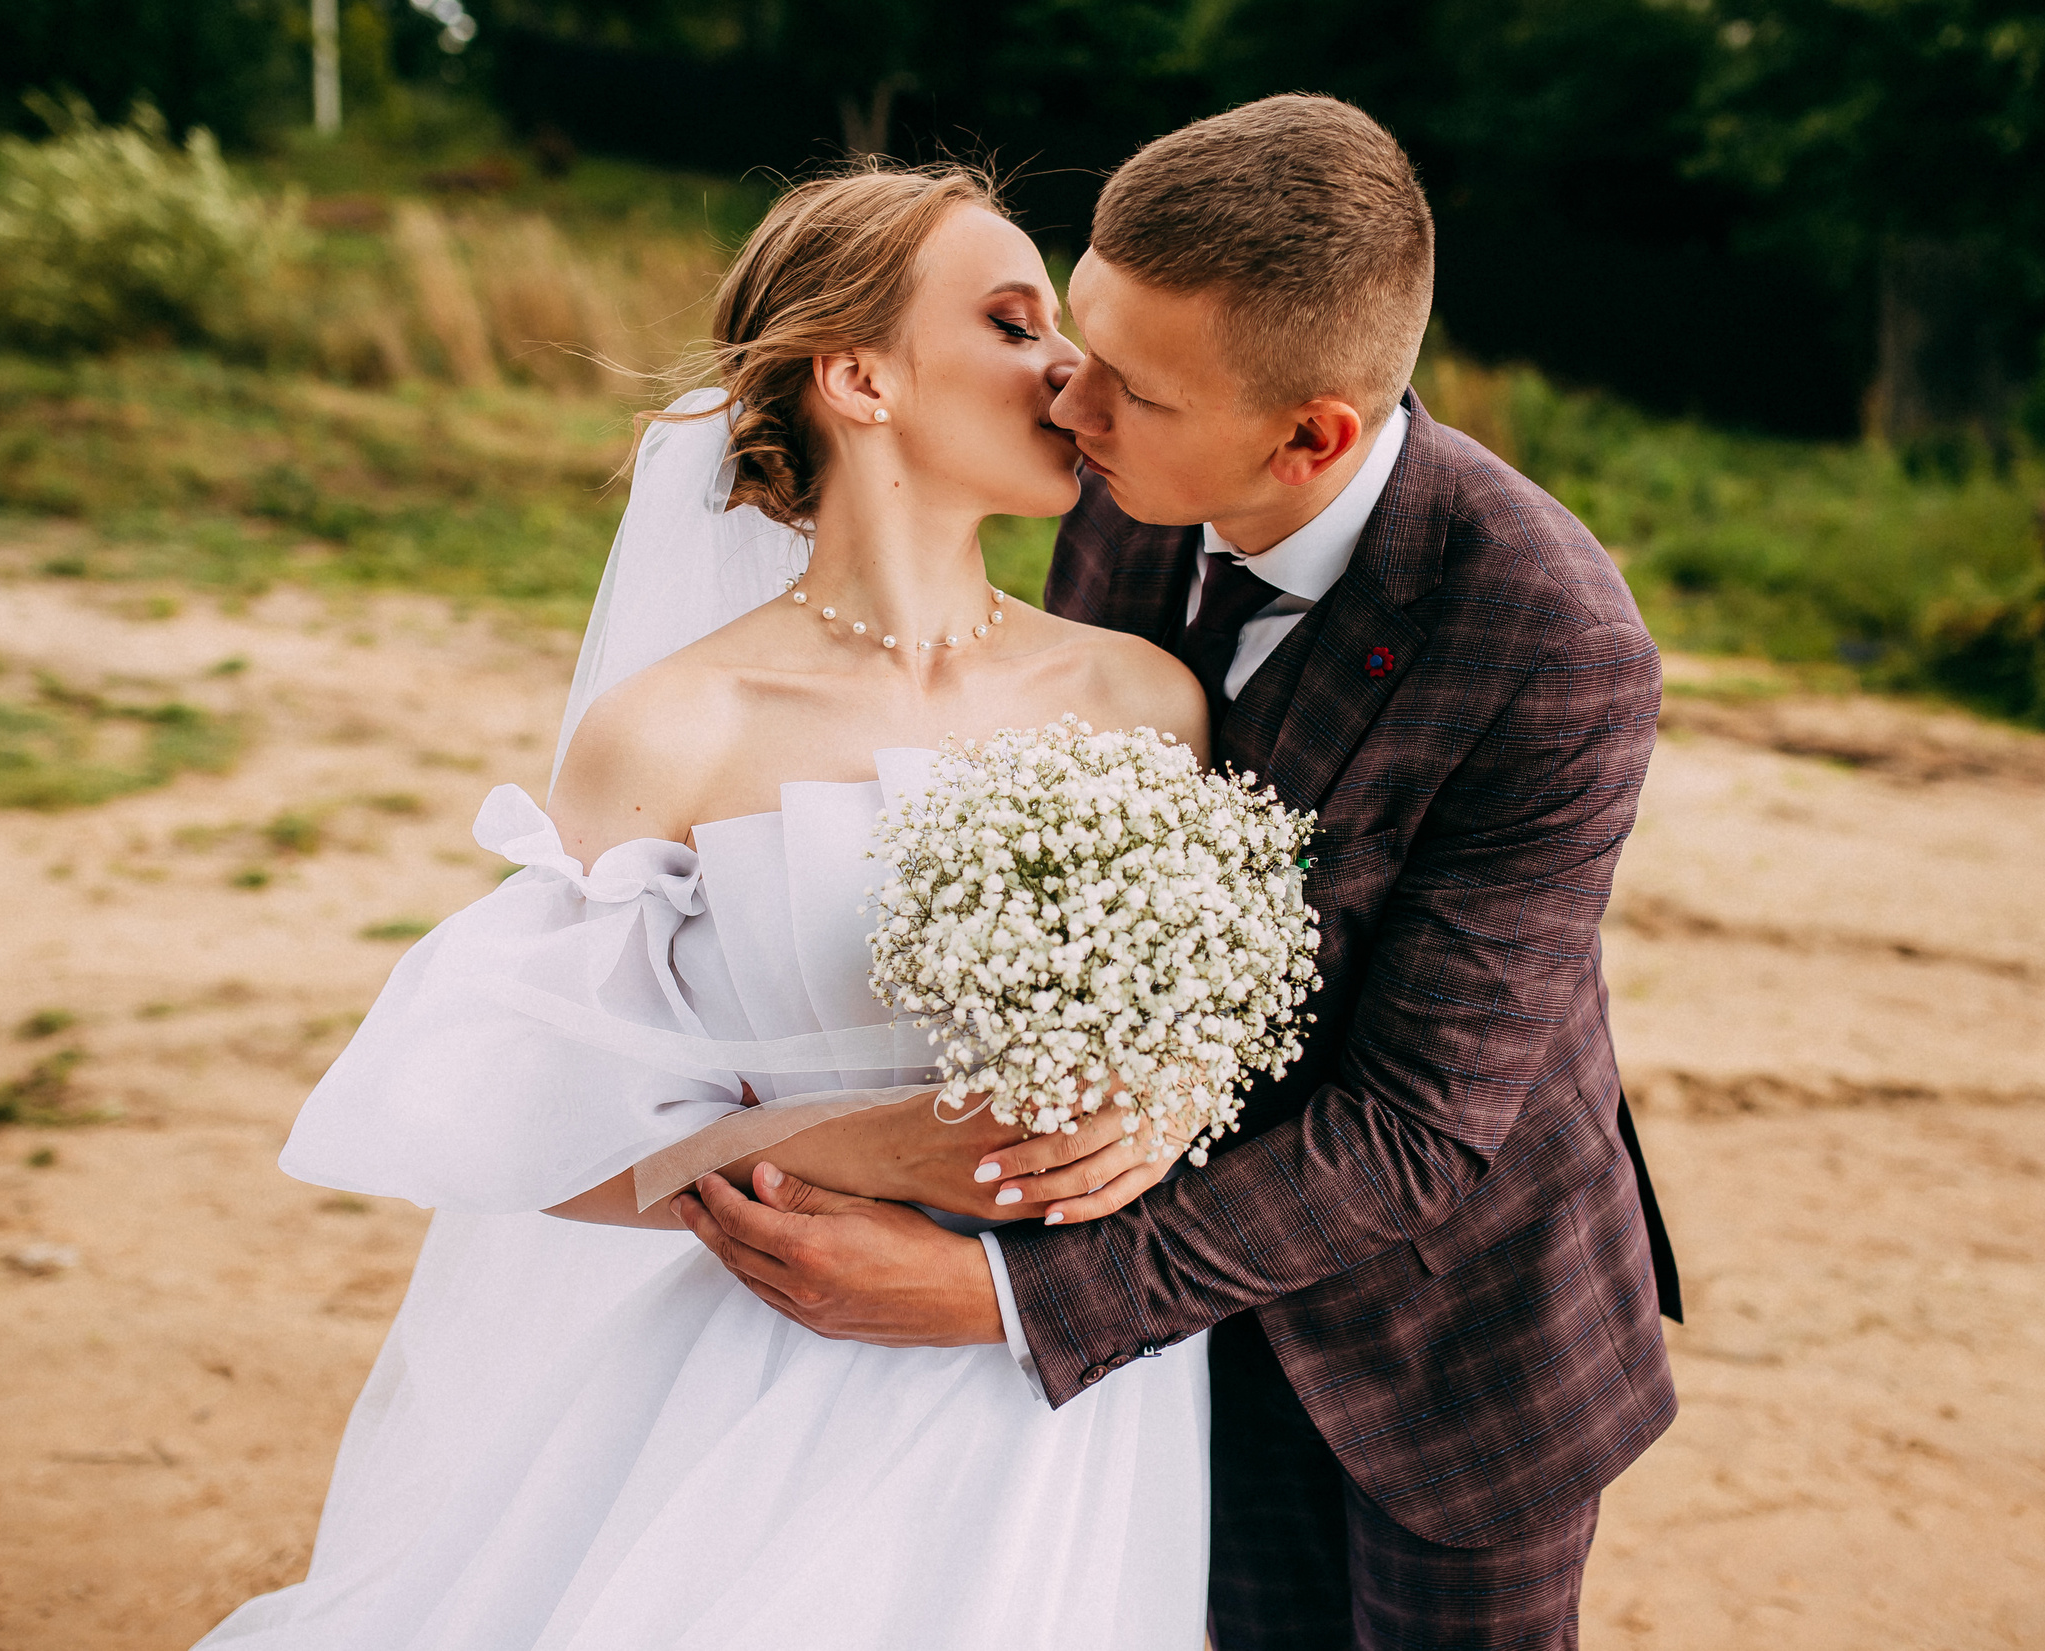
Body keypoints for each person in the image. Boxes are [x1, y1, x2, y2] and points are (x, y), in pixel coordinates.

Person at [681, 95, 1682, 1651]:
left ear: (1312, 436)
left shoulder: (1551, 640)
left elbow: (1417, 1130)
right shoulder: (1125, 500)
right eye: (1073, 338)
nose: (1064, 401)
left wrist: (1002, 1303)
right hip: (1181, 1357)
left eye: (1126, 387)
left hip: (1448, 1357)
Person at [196, 162, 1219, 1650]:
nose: (1074, 372)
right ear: (859, 377)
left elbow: (1221, 1024)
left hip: (1072, 1385)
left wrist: (1171, 1095)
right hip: (775, 1372)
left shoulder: (1143, 699)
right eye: (1013, 322)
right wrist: (839, 1147)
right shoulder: (676, 731)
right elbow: (518, 1128)